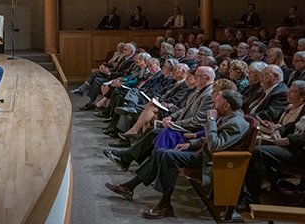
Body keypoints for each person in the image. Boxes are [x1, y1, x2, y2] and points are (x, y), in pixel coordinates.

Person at [106, 89, 248, 219]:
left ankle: (164, 205)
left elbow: (215, 146)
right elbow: (210, 139)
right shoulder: (228, 117)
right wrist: (190, 144)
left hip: (213, 160)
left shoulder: (235, 123)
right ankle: (130, 187)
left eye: (217, 102)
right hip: (202, 152)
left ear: (226, 106)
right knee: (161, 152)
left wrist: (210, 121)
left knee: (168, 155)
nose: (214, 104)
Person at [237, 81, 305, 212]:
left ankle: (250, 199)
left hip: (301, 153)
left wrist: (286, 140)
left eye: (292, 91)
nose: (288, 93)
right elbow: (293, 125)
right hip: (295, 149)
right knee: (254, 145)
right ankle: (240, 190)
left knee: (260, 152)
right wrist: (279, 131)